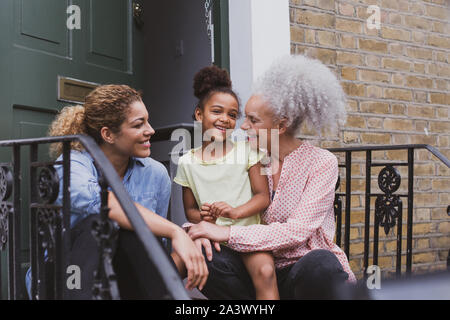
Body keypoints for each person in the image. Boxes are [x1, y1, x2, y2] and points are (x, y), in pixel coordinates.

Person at [187, 55, 357, 300]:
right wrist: (198, 230)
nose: (242, 126)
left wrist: (228, 234)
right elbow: (213, 206)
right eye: (244, 117)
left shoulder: (321, 163)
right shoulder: (245, 158)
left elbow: (296, 232)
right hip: (256, 269)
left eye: (253, 120)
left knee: (322, 263)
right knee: (207, 254)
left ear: (280, 126)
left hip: (301, 270)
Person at [26, 84, 208, 299]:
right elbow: (101, 203)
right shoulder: (72, 164)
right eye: (139, 124)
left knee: (145, 235)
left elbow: (153, 242)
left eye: (147, 121)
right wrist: (176, 231)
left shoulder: (156, 174)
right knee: (104, 224)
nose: (150, 130)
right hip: (68, 277)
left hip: (121, 277)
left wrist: (192, 240)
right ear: (108, 134)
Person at [173, 65, 279, 300]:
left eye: (232, 115)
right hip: (213, 235)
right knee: (178, 262)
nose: (225, 119)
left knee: (266, 271)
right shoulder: (187, 162)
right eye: (217, 111)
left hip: (249, 234)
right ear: (199, 114)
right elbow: (190, 209)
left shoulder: (248, 151)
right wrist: (205, 218)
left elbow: (263, 196)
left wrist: (234, 212)